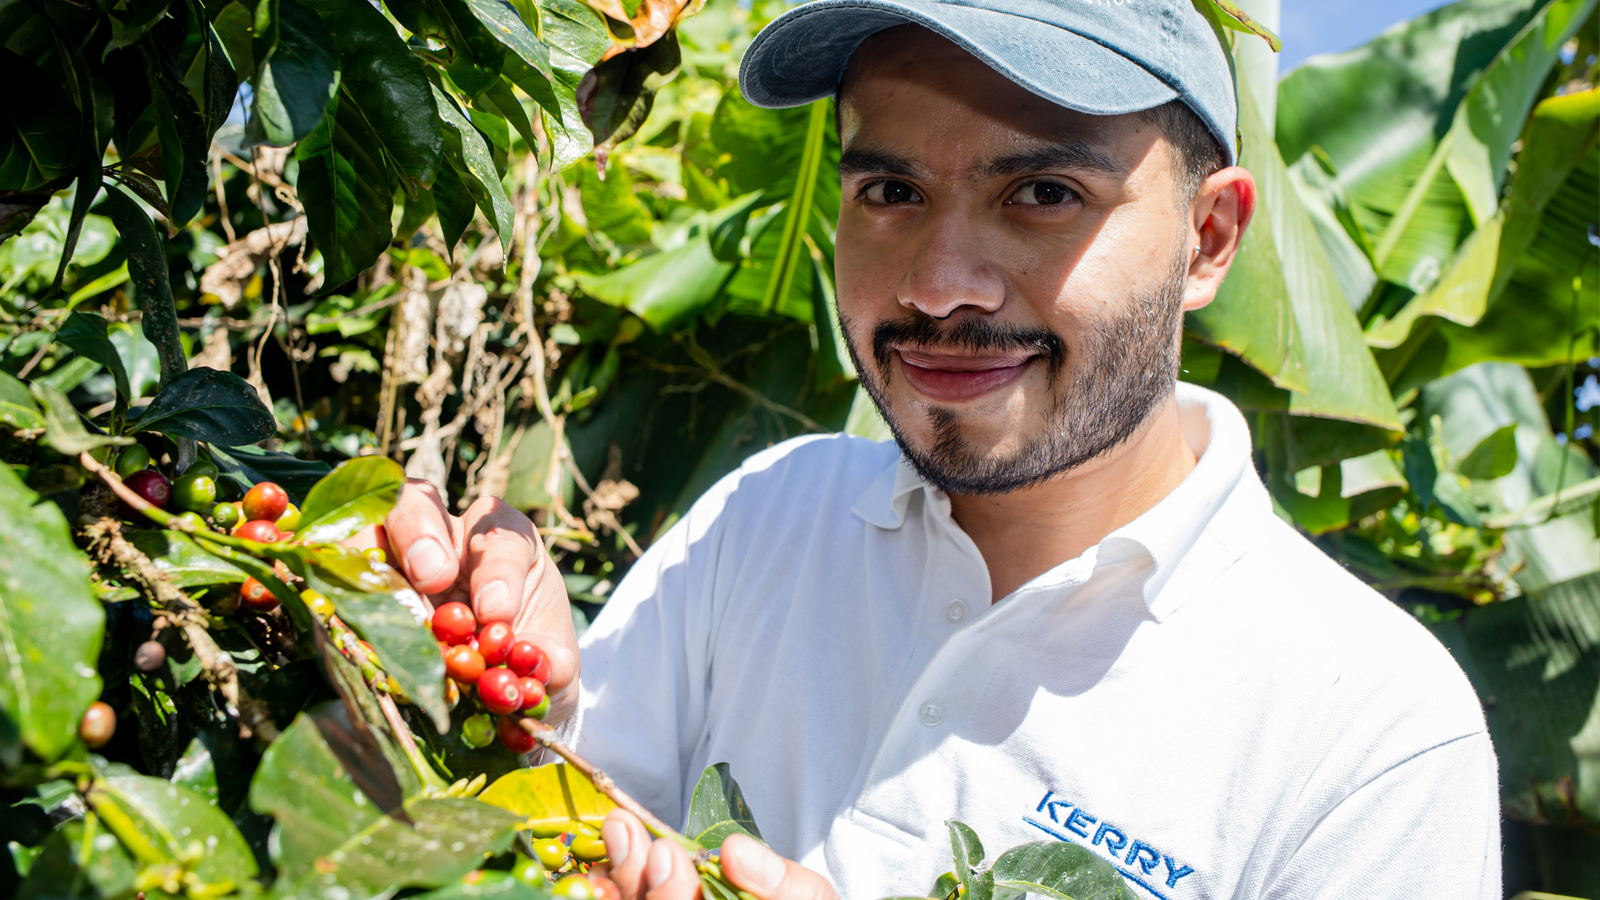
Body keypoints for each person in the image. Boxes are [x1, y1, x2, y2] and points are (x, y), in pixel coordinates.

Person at [372, 0, 1501, 897]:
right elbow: (555, 830)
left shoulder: (1368, 731)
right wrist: (476, 694)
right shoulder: (768, 520)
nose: (937, 285)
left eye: (1044, 192)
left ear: (1207, 239)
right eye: (890, 189)